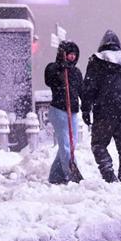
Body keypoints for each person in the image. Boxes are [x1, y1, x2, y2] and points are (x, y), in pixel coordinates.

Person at [81, 30, 121, 184]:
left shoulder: (95, 61)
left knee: (98, 145)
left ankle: (109, 176)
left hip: (103, 113)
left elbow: (88, 88)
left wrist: (85, 109)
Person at [43, 40, 83, 184]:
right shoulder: (53, 68)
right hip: (59, 110)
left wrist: (86, 107)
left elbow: (82, 91)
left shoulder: (76, 72)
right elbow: (48, 80)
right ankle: (72, 174)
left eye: (74, 55)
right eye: (69, 54)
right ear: (62, 54)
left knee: (71, 144)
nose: (72, 57)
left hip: (72, 111)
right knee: (66, 144)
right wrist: (60, 68)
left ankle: (55, 175)